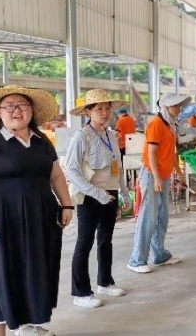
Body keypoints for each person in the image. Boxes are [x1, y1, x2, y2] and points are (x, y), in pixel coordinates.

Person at [0, 85, 74, 336]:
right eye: (9, 106)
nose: (16, 110)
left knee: (34, 271)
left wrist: (66, 204)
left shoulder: (42, 141)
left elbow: (56, 176)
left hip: (39, 218)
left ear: (32, 111)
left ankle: (28, 324)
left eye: (22, 105)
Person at [66, 89, 131, 309]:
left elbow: (118, 168)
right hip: (89, 195)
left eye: (107, 108)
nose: (104, 113)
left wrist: (123, 192)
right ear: (88, 111)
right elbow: (72, 170)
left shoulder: (111, 135)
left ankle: (105, 281)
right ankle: (81, 292)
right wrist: (97, 194)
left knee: (106, 239)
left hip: (109, 194)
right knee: (85, 243)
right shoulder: (81, 136)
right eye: (99, 109)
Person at [127, 93, 190, 274]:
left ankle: (159, 254)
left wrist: (178, 172)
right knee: (148, 217)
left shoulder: (170, 126)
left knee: (162, 216)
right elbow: (152, 153)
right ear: (165, 107)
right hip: (153, 175)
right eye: (175, 106)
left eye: (179, 106)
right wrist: (156, 178)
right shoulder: (156, 124)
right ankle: (137, 259)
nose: (178, 109)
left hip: (163, 175)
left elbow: (171, 152)